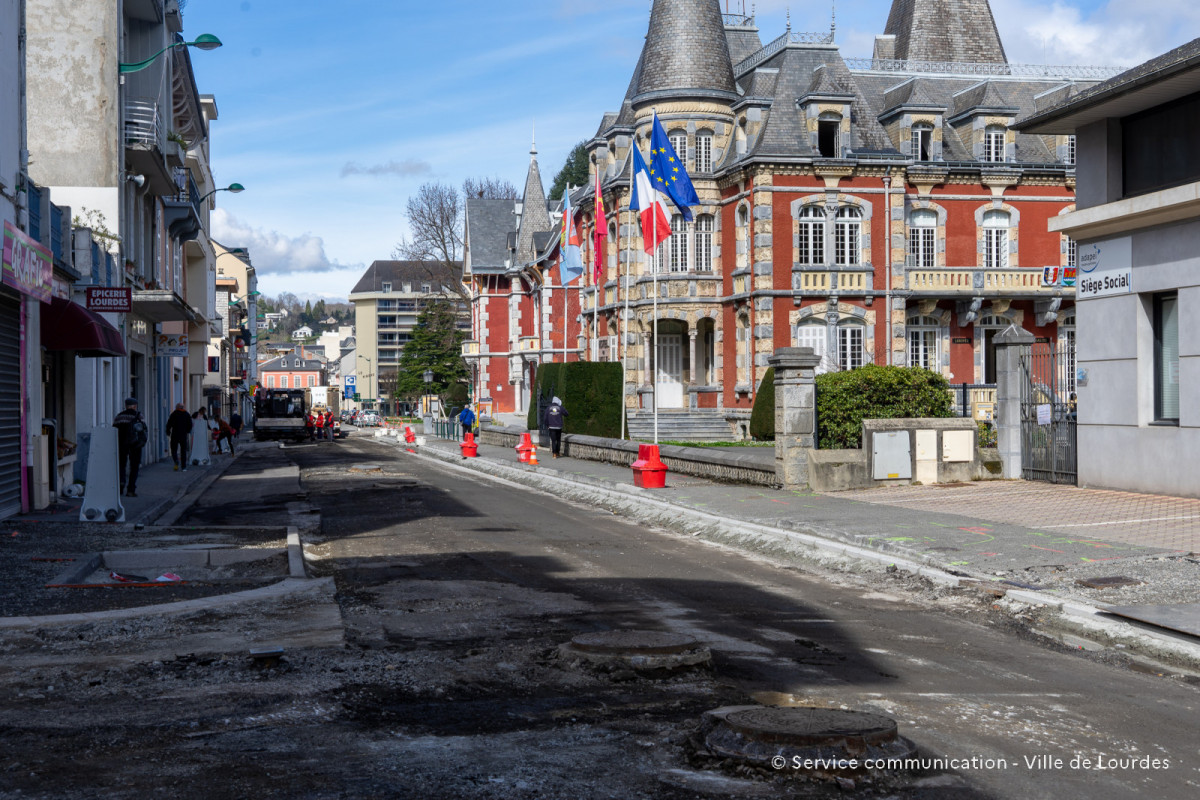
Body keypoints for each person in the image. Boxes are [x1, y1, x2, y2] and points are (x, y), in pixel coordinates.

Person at [113, 397, 147, 497]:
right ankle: (131, 490)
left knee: (121, 465)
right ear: (135, 406)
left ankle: (121, 485)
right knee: (134, 467)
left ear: (126, 405)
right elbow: (143, 431)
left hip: (121, 445)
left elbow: (114, 431)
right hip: (135, 445)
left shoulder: (119, 416)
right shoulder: (138, 416)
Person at [165, 403, 193, 472]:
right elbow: (190, 424)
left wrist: (168, 431)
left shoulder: (174, 414)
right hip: (183, 435)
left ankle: (176, 460)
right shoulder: (187, 414)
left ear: (177, 408)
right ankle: (183, 467)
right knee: (183, 451)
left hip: (175, 434)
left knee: (174, 449)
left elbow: (169, 423)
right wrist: (187, 431)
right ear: (183, 407)